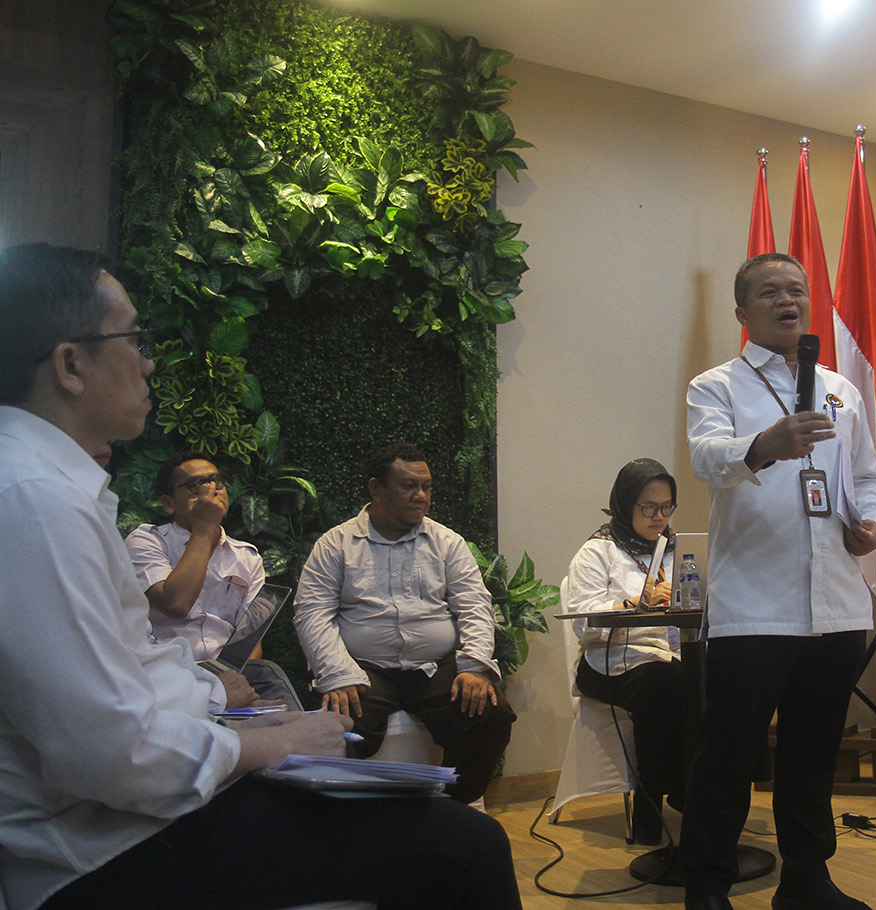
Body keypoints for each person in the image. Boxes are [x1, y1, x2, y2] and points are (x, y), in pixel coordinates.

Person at [0, 243, 521, 910]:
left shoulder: (51, 490)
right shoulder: (36, 502)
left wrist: (227, 711)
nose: (149, 362)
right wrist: (275, 740)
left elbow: (121, 691)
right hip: (104, 849)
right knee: (463, 847)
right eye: (134, 339)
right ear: (70, 364)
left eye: (426, 486)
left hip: (142, 804)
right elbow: (116, 752)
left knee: (453, 773)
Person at [678, 253, 876, 910]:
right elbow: (709, 461)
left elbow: (869, 482)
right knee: (728, 758)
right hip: (754, 608)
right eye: (770, 291)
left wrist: (874, 526)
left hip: (836, 607)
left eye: (796, 289)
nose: (787, 300)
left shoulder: (841, 389)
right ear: (742, 313)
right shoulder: (715, 387)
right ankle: (707, 887)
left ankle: (806, 880)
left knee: (811, 756)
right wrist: (767, 442)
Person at [294, 442, 517, 805]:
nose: (421, 496)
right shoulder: (336, 544)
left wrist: (475, 666)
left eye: (426, 486)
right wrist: (336, 674)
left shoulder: (447, 542)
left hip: (435, 669)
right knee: (334, 721)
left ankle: (453, 811)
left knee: (491, 714)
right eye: (409, 486)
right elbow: (312, 612)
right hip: (363, 671)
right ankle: (350, 827)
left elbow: (475, 605)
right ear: (376, 489)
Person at [563, 457, 686, 845]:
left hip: (668, 658)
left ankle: (703, 791)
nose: (658, 516)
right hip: (608, 665)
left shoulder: (676, 550)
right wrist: (636, 602)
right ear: (624, 504)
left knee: (722, 676)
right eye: (648, 507)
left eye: (666, 507)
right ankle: (655, 806)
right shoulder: (598, 552)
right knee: (664, 684)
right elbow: (583, 621)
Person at [125, 449, 302, 710]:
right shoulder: (147, 541)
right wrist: (204, 529)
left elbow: (249, 638)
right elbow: (176, 604)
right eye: (196, 485)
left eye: (216, 481)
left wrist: (237, 679)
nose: (211, 489)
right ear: (168, 503)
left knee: (267, 677)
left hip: (226, 672)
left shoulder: (246, 557)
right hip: (167, 671)